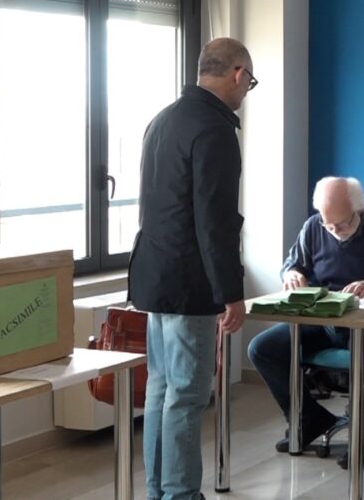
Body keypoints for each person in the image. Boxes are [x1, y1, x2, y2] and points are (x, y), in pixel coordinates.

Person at [129, 37, 254, 500]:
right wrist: (231, 291)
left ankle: (160, 492)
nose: (246, 92)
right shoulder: (215, 129)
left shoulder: (162, 120)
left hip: (154, 276)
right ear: (238, 74)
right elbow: (215, 221)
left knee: (161, 390)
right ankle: (181, 494)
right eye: (249, 82)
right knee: (186, 395)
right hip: (191, 282)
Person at [247, 176, 364, 468]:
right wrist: (291, 274)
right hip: (323, 319)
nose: (335, 232)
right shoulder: (313, 227)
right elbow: (293, 264)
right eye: (328, 225)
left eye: (341, 225)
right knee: (262, 349)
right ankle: (308, 419)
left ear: (358, 209)